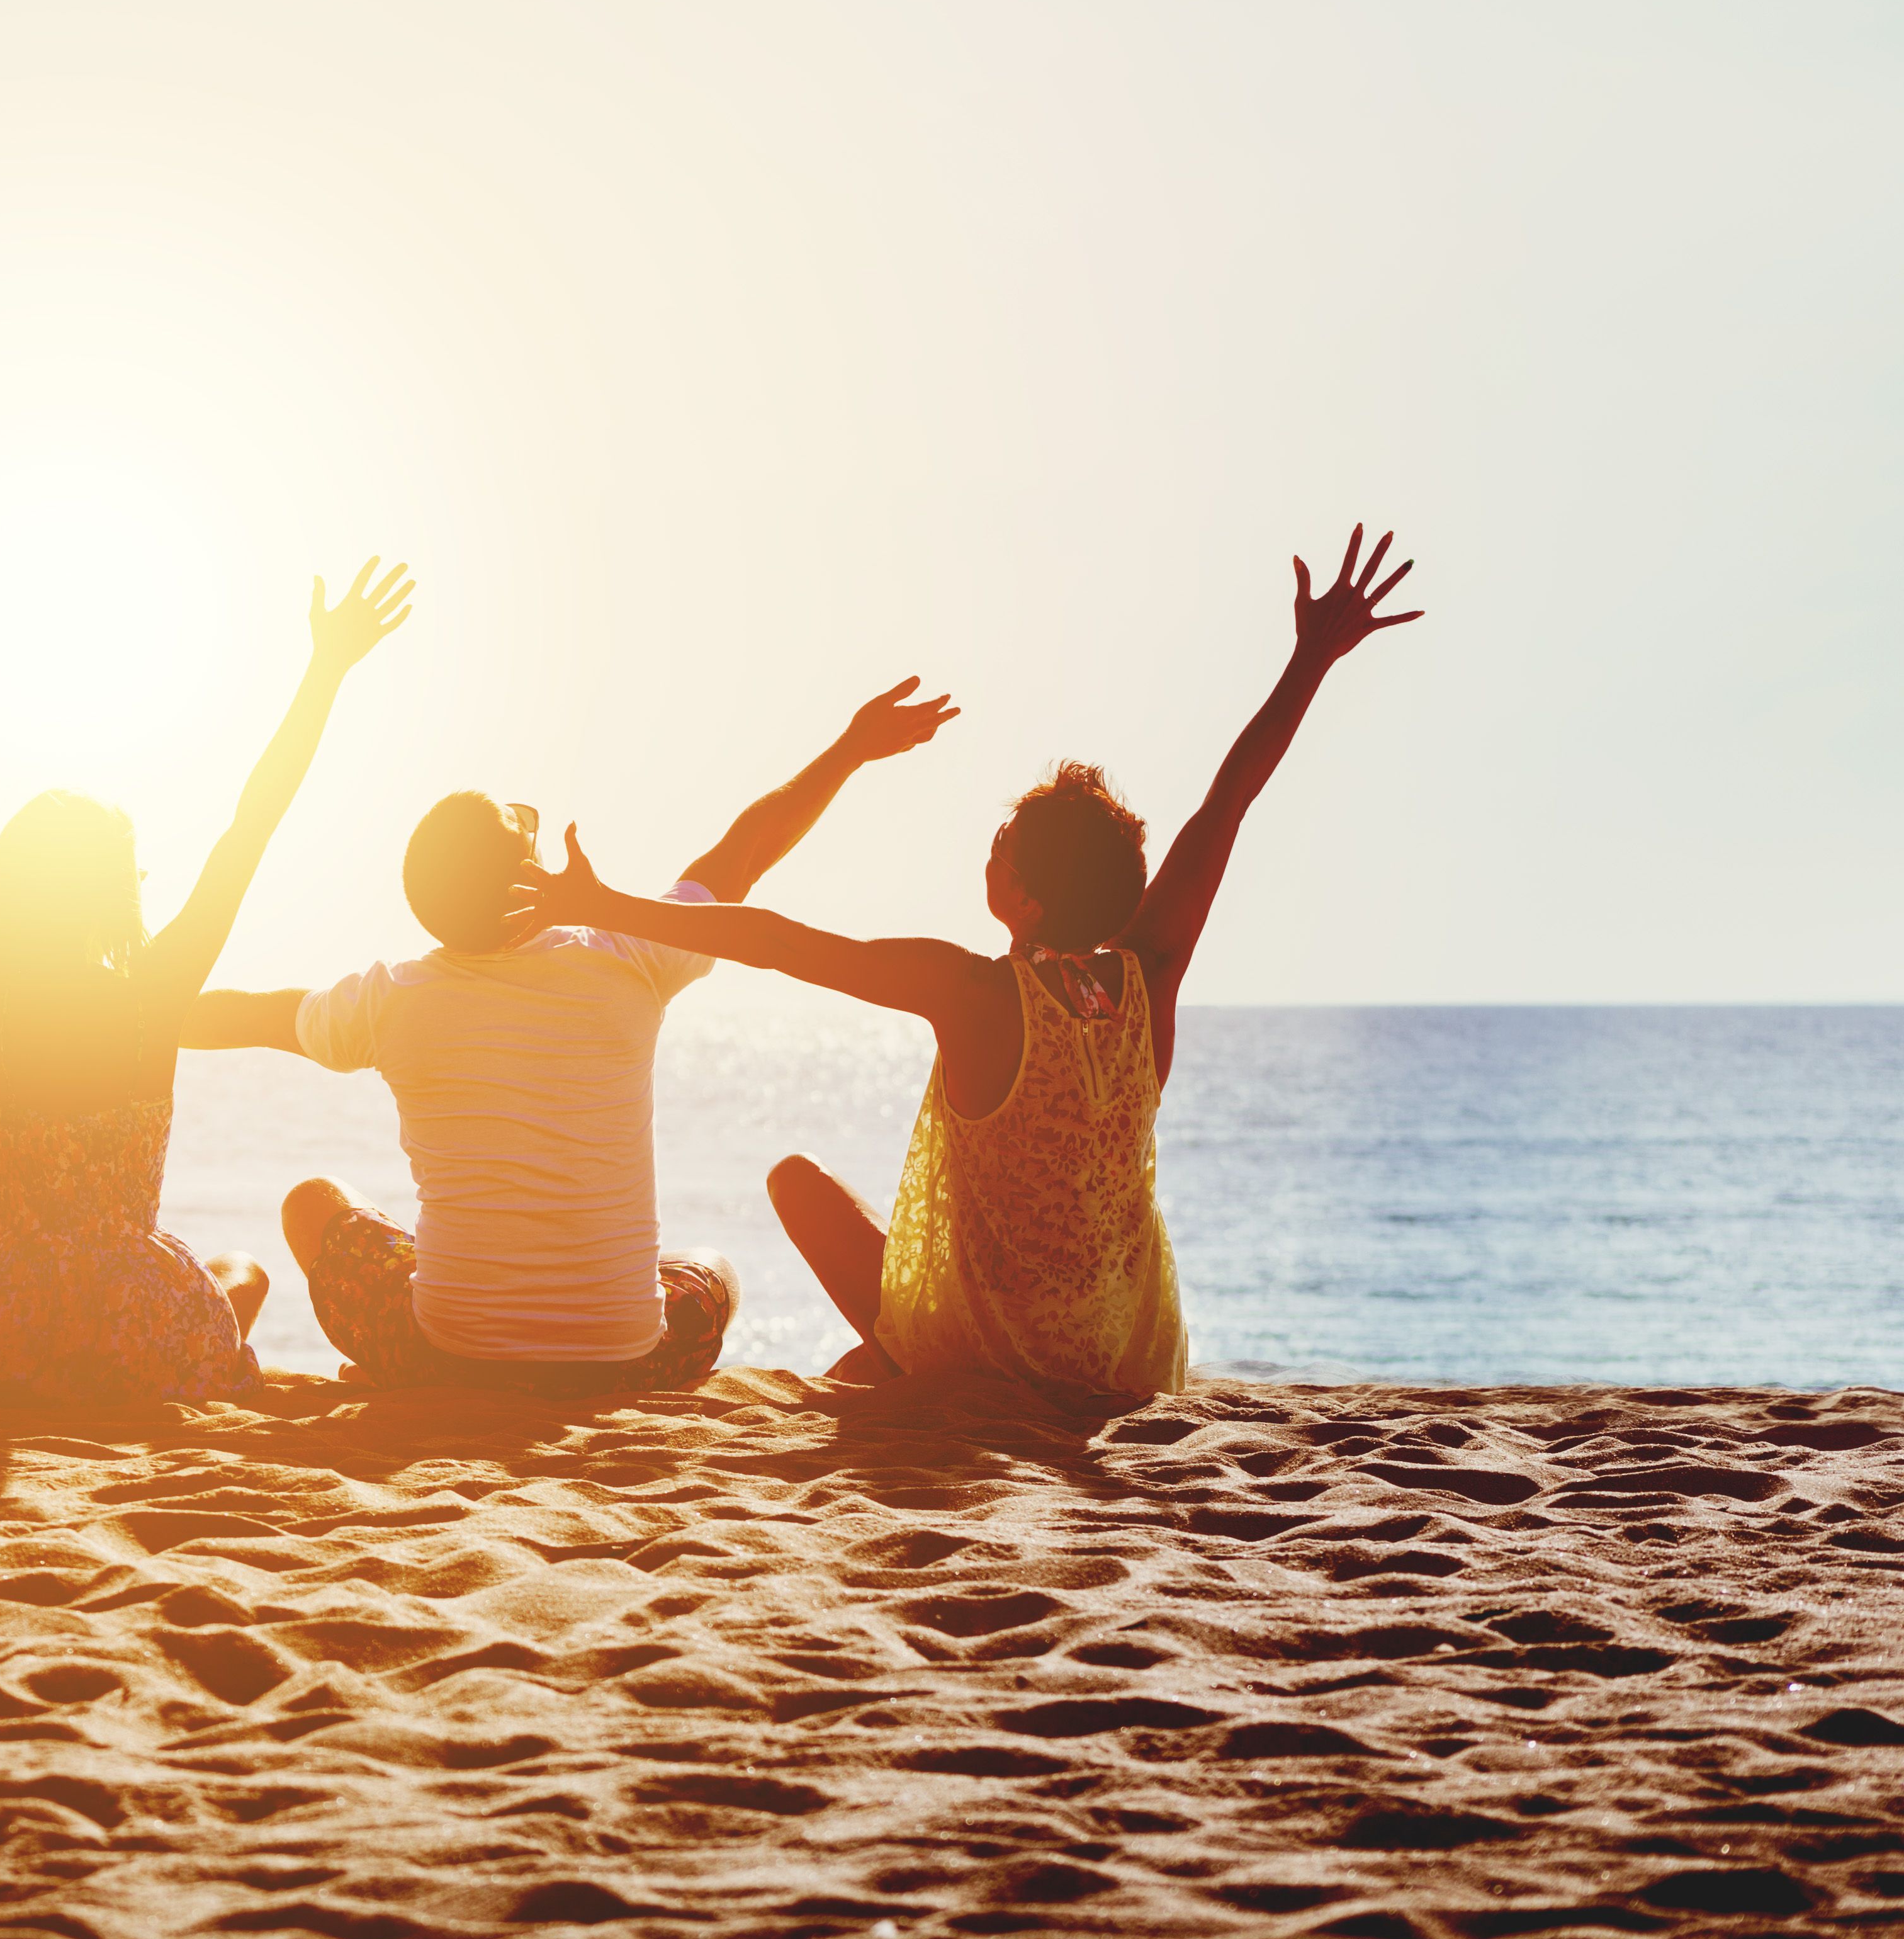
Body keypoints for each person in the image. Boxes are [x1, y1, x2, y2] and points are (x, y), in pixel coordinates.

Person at [517, 526, 1423, 1404]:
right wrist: (1311, 660)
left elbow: (781, 943)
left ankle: (896, 1367)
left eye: (1003, 846)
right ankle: (882, 1369)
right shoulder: (1150, 972)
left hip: (990, 1357)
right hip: (1121, 1357)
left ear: (1022, 899)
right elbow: (1228, 802)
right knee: (861, 1362)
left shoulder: (976, 993)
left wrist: (599, 908)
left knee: (796, 1183)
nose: (987, 850)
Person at [184, 680, 961, 1397]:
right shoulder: (631, 954)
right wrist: (849, 751)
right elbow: (746, 851)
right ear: (525, 870)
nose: (533, 824)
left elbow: (251, 1014)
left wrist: (131, 1013)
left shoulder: (391, 997)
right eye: (522, 826)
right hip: (629, 1358)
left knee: (314, 1204)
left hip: (445, 1355)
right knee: (713, 1269)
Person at [0, 539, 413, 1408]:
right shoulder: (153, 993)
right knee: (237, 1273)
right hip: (130, 1313)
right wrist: (325, 670)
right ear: (116, 888)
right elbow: (251, 827)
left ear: (8, 883)